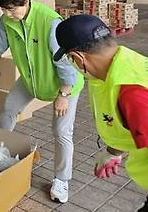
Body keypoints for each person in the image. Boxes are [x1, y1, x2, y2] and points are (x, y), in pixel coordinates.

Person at [0, 0, 84, 204]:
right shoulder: (8, 20)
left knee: (61, 131)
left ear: (26, 2)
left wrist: (63, 94)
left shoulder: (50, 22)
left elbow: (64, 63)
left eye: (12, 9)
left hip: (63, 84)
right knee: (8, 109)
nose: (8, 14)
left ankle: (62, 180)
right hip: (30, 80)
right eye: (4, 9)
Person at [54, 15, 148, 211]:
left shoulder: (131, 92)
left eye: (69, 59)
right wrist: (114, 151)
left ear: (78, 58)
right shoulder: (126, 63)